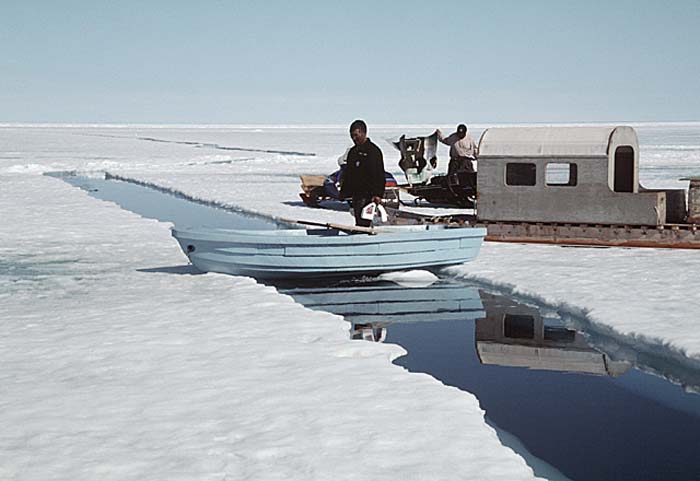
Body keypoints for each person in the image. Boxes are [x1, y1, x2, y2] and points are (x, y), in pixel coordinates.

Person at [339, 119, 385, 227]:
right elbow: (349, 174)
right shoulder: (353, 152)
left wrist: (378, 194)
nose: (354, 139)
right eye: (352, 136)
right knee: (359, 222)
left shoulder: (373, 151)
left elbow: (379, 175)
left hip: (369, 197)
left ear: (363, 133)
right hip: (357, 196)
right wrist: (344, 192)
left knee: (366, 223)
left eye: (356, 135)